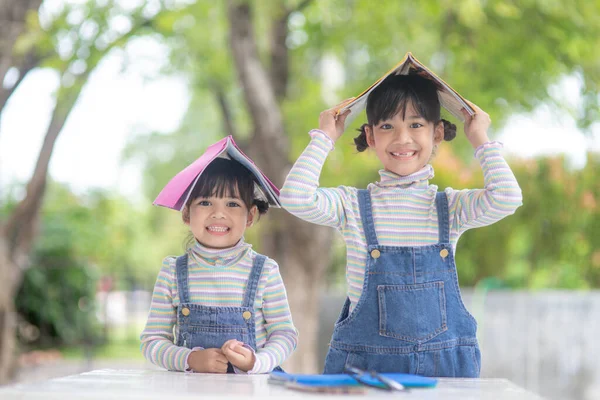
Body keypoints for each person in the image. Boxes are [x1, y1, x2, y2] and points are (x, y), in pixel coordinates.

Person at [280, 73, 522, 377]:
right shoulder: (351, 206)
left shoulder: (452, 207)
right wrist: (325, 136)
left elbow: (507, 198)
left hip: (443, 376)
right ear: (370, 137)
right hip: (366, 374)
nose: (402, 138)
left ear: (437, 133)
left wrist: (479, 137)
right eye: (387, 126)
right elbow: (294, 197)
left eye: (416, 125)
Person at [141, 156, 298, 374]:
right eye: (205, 202)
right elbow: (152, 341)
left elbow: (285, 335)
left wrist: (256, 362)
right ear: (186, 213)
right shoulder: (172, 272)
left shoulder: (265, 271)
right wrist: (190, 359)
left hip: (252, 391)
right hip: (189, 391)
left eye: (232, 204)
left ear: (250, 215)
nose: (218, 213)